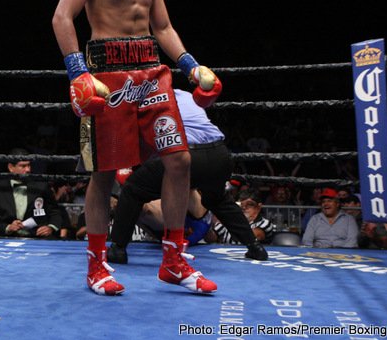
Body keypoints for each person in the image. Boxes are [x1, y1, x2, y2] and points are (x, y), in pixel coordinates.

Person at [52, 0, 222, 296]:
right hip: (106, 77)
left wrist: (190, 65)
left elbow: (162, 28)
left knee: (179, 160)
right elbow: (62, 15)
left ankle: (174, 261)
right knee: (104, 173)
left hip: (150, 75)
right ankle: (97, 267)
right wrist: (77, 71)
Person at [107, 89, 267, 263]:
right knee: (218, 199)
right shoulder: (185, 94)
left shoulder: (140, 99)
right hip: (220, 155)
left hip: (184, 155)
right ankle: (254, 247)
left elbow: (144, 144)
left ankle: (118, 249)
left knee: (132, 189)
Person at [0, 149, 62, 238]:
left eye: (29, 165)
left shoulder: (41, 187)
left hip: (38, 238)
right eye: (23, 166)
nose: (28, 169)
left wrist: (50, 227)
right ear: (11, 167)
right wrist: (8, 227)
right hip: (9, 239)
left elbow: (55, 212)